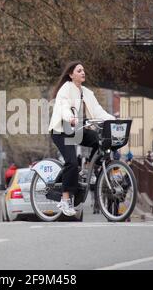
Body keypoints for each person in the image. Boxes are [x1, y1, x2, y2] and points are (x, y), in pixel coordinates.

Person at [48, 61, 115, 216]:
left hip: (77, 129)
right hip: (61, 130)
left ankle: (89, 170)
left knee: (102, 140)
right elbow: (64, 107)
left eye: (83, 70)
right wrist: (71, 118)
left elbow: (98, 111)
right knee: (71, 162)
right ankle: (65, 200)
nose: (83, 72)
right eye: (79, 70)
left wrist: (113, 120)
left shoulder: (86, 92)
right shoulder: (65, 89)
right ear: (71, 75)